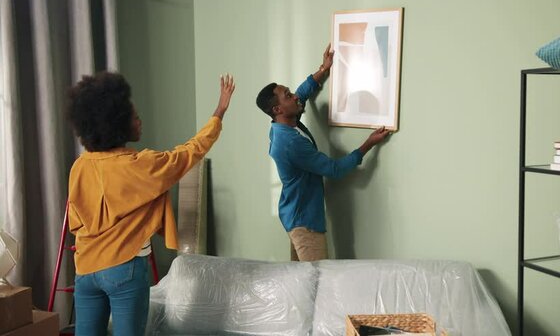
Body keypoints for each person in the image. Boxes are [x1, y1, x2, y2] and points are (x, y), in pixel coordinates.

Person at [66, 71, 235, 336]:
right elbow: (189, 153)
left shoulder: (80, 166)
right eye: (134, 116)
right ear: (117, 124)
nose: (139, 120)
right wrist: (219, 112)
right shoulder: (141, 165)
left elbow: (76, 221)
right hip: (124, 268)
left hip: (85, 270)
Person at [256, 45, 390, 262]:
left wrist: (323, 69)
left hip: (294, 214)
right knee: (317, 282)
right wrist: (369, 144)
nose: (294, 97)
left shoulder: (284, 123)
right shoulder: (290, 142)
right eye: (287, 96)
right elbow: (334, 169)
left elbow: (301, 95)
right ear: (277, 110)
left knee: (301, 281)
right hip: (305, 224)